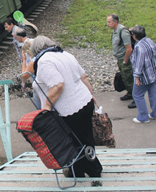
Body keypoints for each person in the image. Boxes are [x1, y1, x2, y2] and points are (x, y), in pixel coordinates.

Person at [29, 36, 103, 180]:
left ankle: (93, 170)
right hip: (85, 102)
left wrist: (46, 107)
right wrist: (91, 94)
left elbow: (58, 85)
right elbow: (83, 76)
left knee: (74, 143)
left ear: (35, 50)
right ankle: (80, 172)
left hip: (69, 109)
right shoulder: (65, 54)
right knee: (85, 139)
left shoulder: (44, 61)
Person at [130, 25, 156, 124]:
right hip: (153, 73)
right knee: (154, 93)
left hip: (144, 76)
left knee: (137, 94)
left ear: (135, 36)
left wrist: (137, 78)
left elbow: (139, 64)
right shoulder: (150, 41)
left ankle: (143, 117)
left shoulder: (139, 47)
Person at [106, 14, 136, 109]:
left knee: (130, 78)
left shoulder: (123, 32)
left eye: (109, 22)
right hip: (120, 59)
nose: (107, 24)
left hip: (125, 60)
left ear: (116, 22)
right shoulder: (116, 31)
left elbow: (129, 49)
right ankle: (130, 93)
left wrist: (125, 61)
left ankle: (136, 98)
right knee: (125, 78)